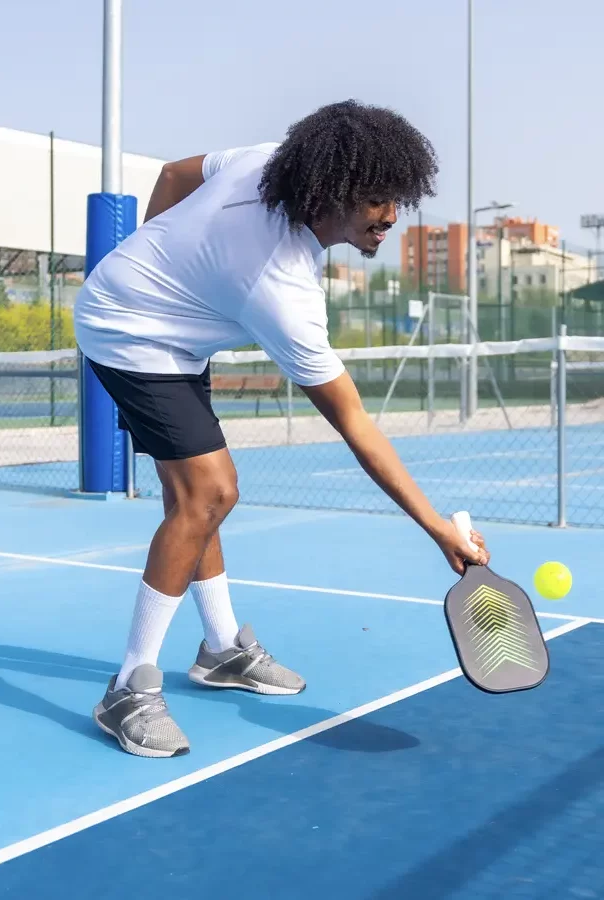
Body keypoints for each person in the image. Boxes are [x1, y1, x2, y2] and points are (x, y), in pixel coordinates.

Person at [73, 101, 489, 758]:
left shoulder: (268, 161)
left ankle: (220, 650)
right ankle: (129, 688)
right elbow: (354, 424)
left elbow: (175, 173)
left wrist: (160, 257)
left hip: (176, 329)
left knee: (207, 491)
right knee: (208, 493)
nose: (390, 217)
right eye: (376, 201)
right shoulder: (280, 286)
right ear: (328, 193)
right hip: (127, 329)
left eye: (395, 198)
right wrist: (434, 525)